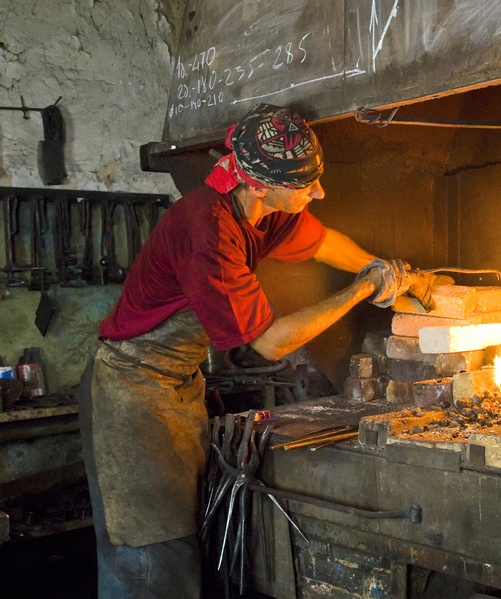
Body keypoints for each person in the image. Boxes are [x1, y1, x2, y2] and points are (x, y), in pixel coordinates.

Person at [77, 103, 440, 598]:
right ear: (260, 184)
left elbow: (322, 242)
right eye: (306, 185)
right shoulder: (208, 230)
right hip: (131, 394)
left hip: (176, 388)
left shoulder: (262, 209)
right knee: (150, 557)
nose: (319, 192)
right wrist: (360, 289)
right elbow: (270, 343)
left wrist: (386, 275)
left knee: (182, 543)